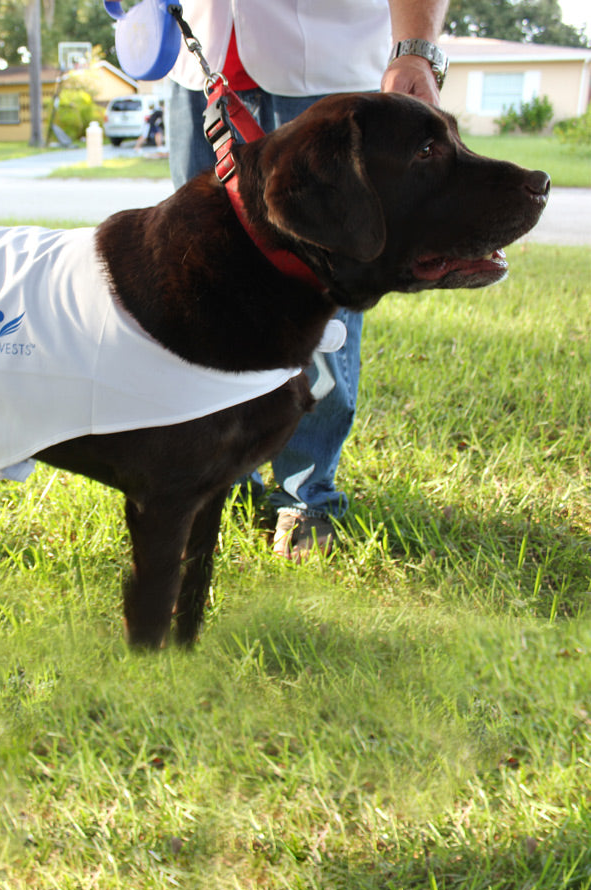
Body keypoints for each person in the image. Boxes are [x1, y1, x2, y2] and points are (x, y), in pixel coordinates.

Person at [167, 0, 449, 559]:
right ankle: (222, 474)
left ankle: (306, 491)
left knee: (320, 285)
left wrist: (415, 48)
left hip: (323, 65)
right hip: (196, 58)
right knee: (206, 284)